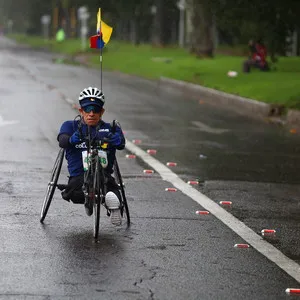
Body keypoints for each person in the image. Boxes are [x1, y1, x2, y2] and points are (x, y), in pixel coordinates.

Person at [57, 87, 125, 226]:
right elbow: (62, 141)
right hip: (78, 175)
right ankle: (106, 198)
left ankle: (114, 205)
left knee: (109, 184)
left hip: (103, 173)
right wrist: (71, 140)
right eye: (88, 109)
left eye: (96, 109)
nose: (92, 113)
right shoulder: (70, 126)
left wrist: (116, 140)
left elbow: (121, 144)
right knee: (76, 190)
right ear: (81, 110)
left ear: (102, 112)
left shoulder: (110, 128)